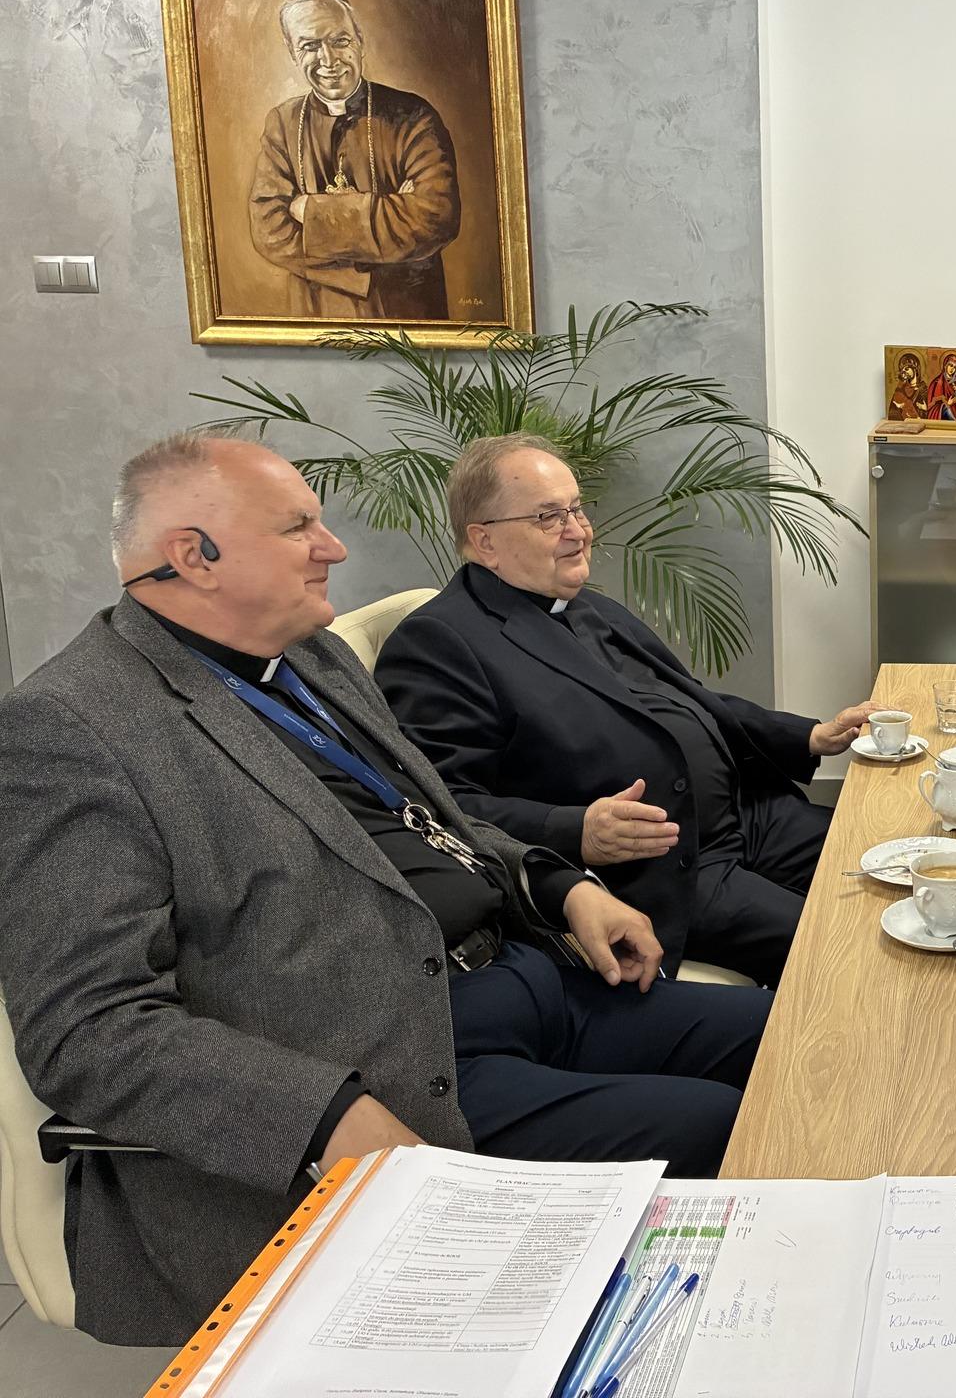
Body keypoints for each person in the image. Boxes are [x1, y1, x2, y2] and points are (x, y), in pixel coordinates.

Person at [0, 435, 770, 1346]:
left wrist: (560, 884)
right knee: (723, 1127)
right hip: (385, 1070)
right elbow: (88, 1032)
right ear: (192, 556)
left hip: (518, 980)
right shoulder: (72, 729)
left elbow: (437, 819)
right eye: (299, 528)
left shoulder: (311, 658)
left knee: (787, 1040)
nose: (333, 548)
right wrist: (323, 1114)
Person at [376, 435, 877, 987]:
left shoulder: (584, 604)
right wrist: (575, 830)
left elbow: (690, 701)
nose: (579, 530)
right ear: (484, 540)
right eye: (549, 517)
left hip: (748, 814)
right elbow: (440, 805)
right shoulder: (438, 643)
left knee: (894, 863)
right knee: (847, 943)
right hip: (666, 869)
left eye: (576, 509)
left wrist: (809, 736)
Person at [248, 0, 460, 320]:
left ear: (360, 41)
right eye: (310, 46)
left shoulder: (413, 116)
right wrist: (386, 222)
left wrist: (310, 212)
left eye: (340, 41)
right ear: (292, 53)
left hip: (406, 314)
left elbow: (436, 218)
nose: (328, 60)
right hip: (318, 316)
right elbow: (269, 231)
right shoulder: (282, 123)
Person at [924, 350, 956, 420]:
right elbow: (932, 402)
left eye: (955, 367)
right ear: (945, 365)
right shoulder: (936, 382)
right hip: (940, 410)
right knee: (945, 407)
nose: (952, 369)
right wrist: (948, 403)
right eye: (950, 365)